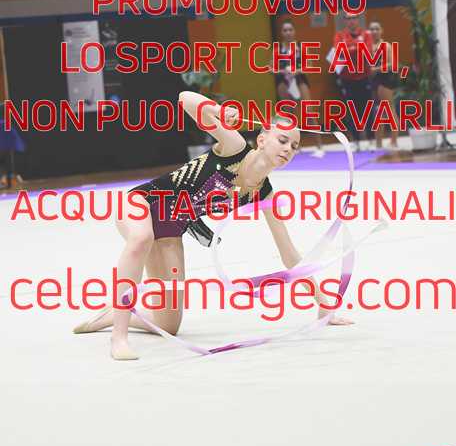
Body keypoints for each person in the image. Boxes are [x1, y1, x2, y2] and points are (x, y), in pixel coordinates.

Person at [73, 91, 352, 360]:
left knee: (168, 324)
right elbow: (185, 99)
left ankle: (111, 315)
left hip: (170, 230)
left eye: (294, 146)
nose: (288, 149)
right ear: (262, 139)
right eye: (282, 140)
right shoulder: (234, 148)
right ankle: (119, 338)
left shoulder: (264, 194)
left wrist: (323, 303)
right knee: (141, 238)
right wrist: (218, 111)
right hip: (143, 202)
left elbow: (289, 254)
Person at [272, 21, 324, 155]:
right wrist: (282, 71)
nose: (288, 33)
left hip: (299, 80)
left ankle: (319, 146)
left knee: (309, 111)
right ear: (282, 33)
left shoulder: (301, 47)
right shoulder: (278, 49)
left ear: (294, 31)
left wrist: (297, 71)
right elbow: (271, 67)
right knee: (289, 115)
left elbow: (310, 65)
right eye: (285, 30)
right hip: (284, 82)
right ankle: (295, 147)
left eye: (290, 30)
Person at [333, 13, 373, 150]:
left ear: (358, 20)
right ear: (345, 21)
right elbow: (339, 52)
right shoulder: (339, 36)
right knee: (352, 111)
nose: (351, 21)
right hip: (347, 79)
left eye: (354, 18)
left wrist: (350, 48)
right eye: (348, 18)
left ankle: (370, 139)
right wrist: (357, 48)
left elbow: (368, 52)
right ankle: (355, 140)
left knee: (367, 109)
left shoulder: (366, 34)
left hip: (364, 77)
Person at [368, 21, 398, 150]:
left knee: (389, 109)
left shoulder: (386, 46)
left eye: (377, 29)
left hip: (385, 80)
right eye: (372, 29)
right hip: (374, 80)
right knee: (378, 112)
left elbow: (392, 64)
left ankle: (394, 142)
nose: (374, 31)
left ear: (381, 31)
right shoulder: (368, 46)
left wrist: (376, 69)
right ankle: (378, 143)